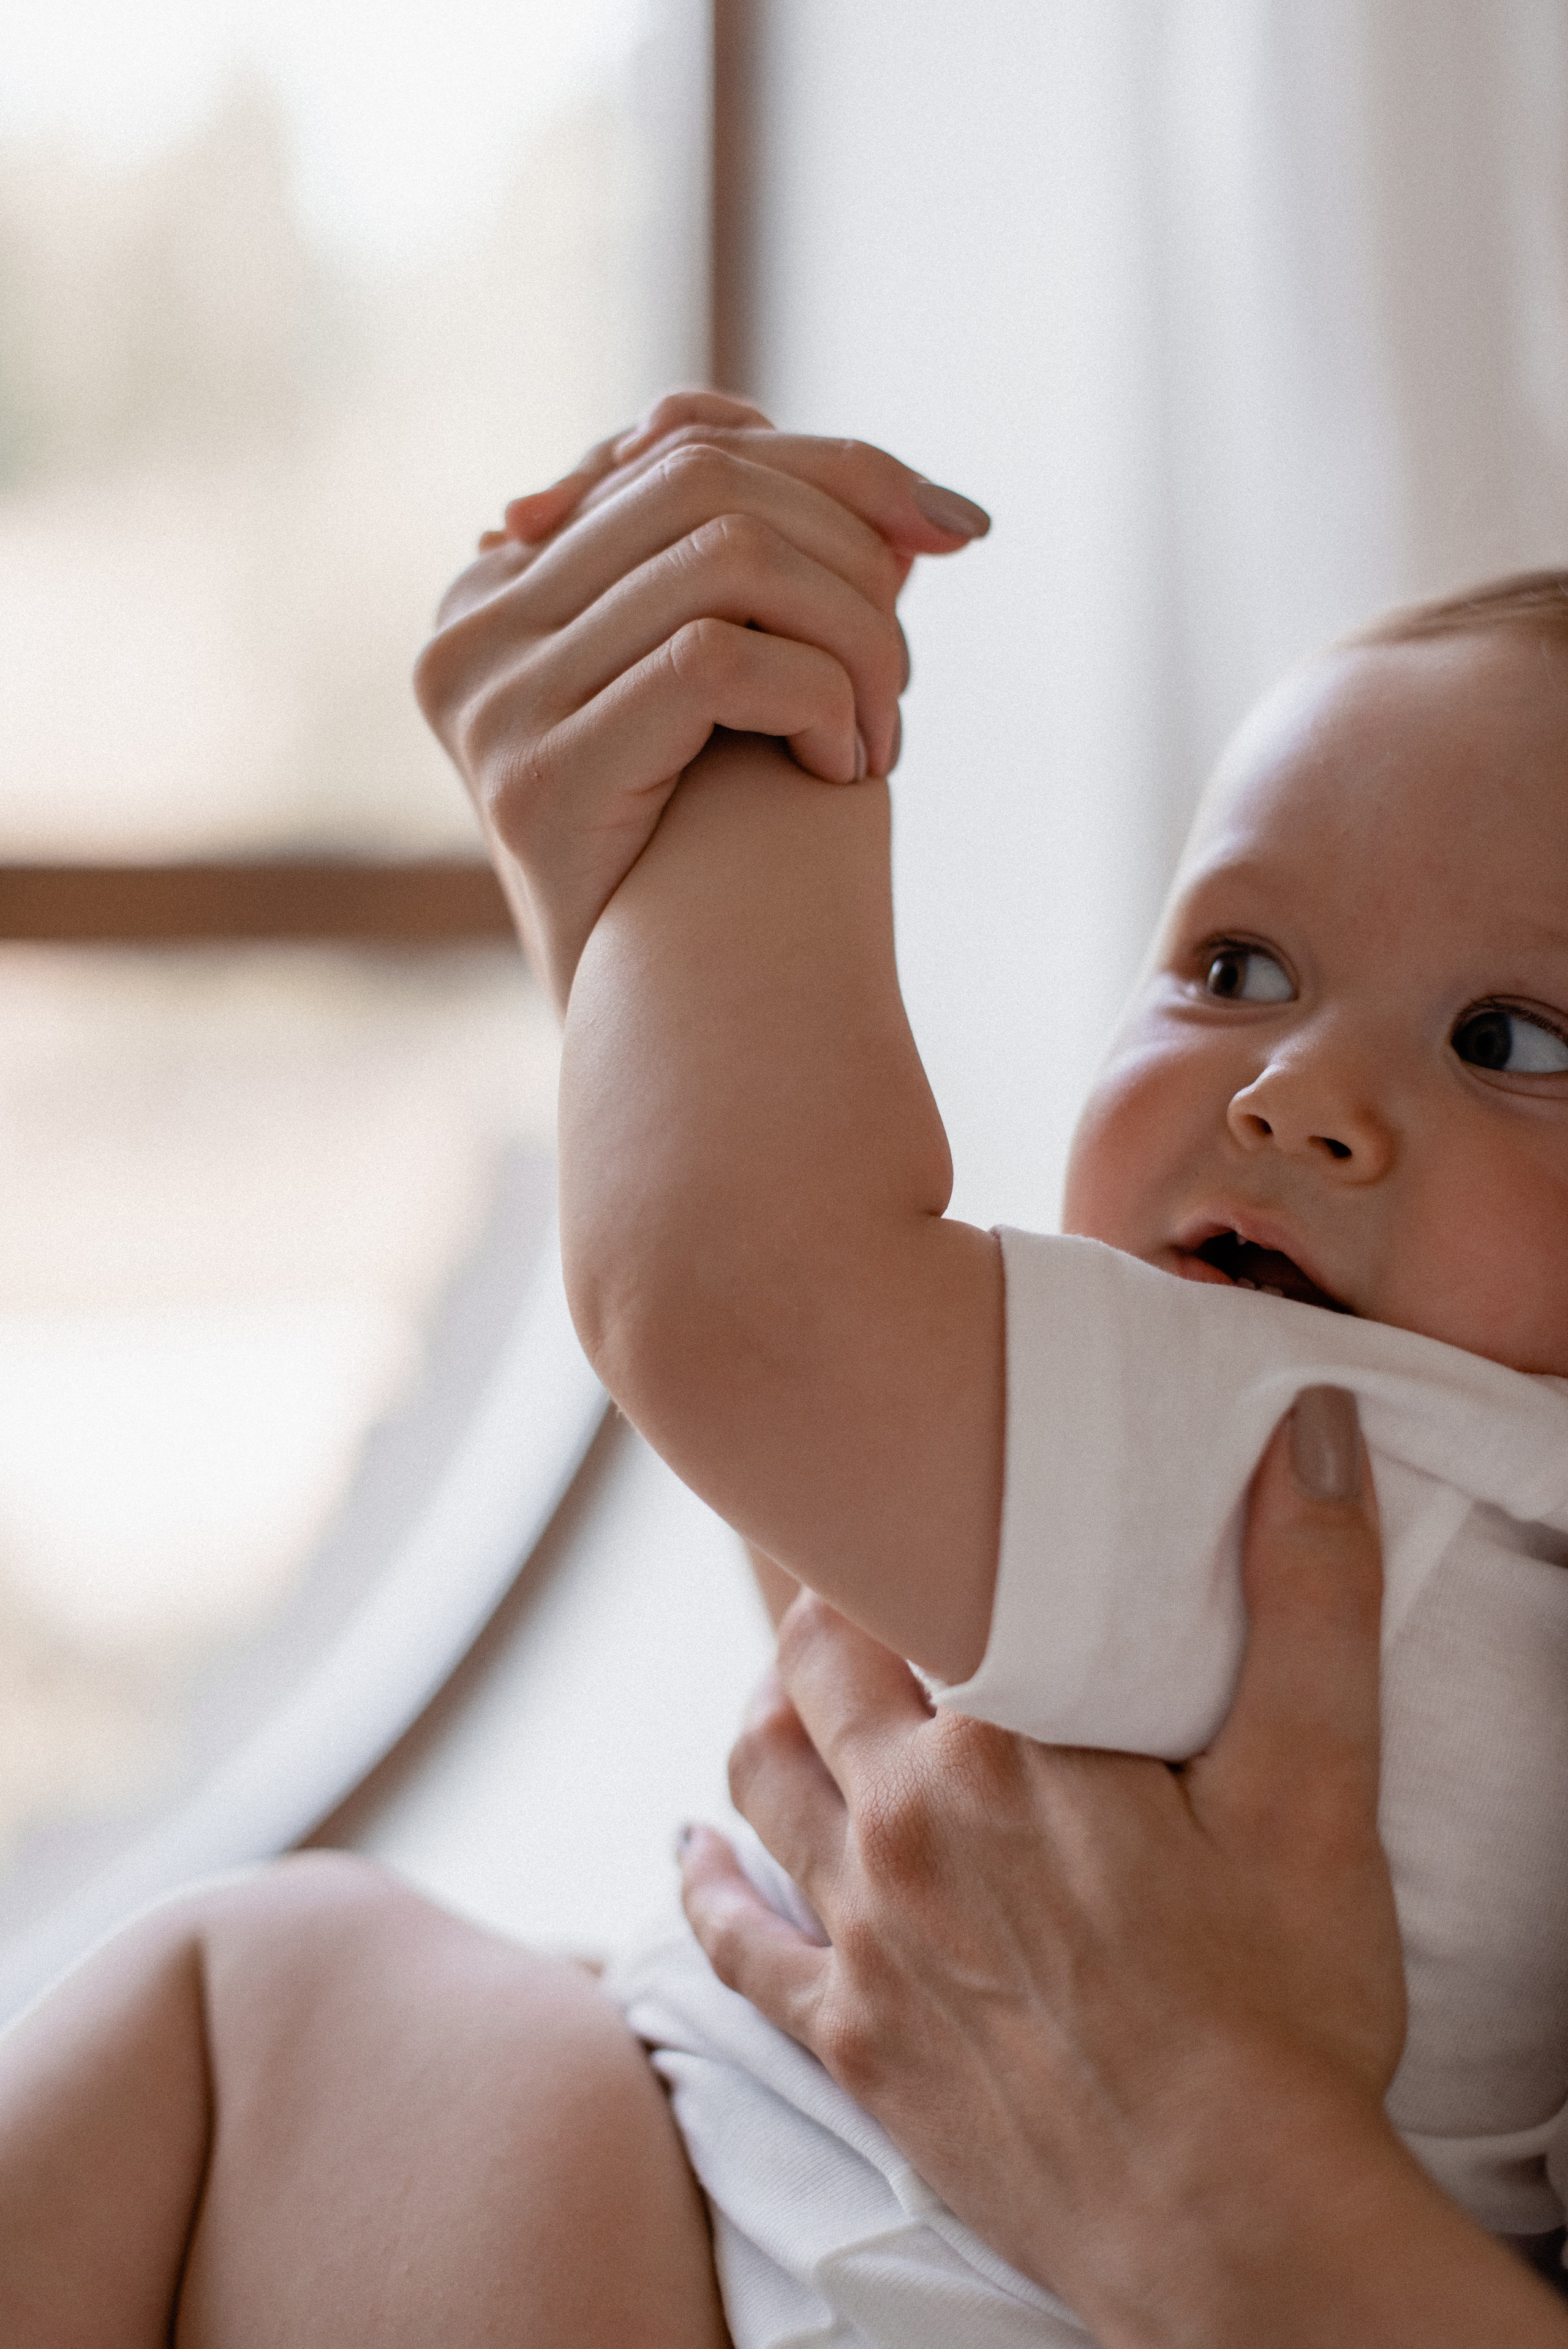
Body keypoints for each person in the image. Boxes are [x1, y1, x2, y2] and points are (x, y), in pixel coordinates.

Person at [1, 394, 1564, 2347]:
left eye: (1515, 1041)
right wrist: (612, 928)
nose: (1298, 1090)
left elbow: (738, 1301)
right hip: (824, 2256)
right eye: (1237, 968)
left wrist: (760, 760)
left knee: (267, 1983)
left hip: (747, 2278)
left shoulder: (1393, 1467)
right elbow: (887, 1712)